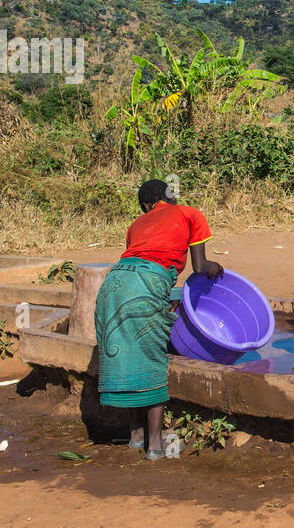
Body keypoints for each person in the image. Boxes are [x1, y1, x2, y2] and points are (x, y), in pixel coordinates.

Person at [94, 180, 222, 459]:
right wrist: (215, 268)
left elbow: (137, 257)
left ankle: (136, 436)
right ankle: (155, 446)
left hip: (113, 284)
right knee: (152, 357)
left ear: (145, 206)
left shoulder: (136, 225)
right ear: (171, 197)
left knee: (128, 355)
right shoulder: (190, 214)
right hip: (147, 285)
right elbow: (199, 267)